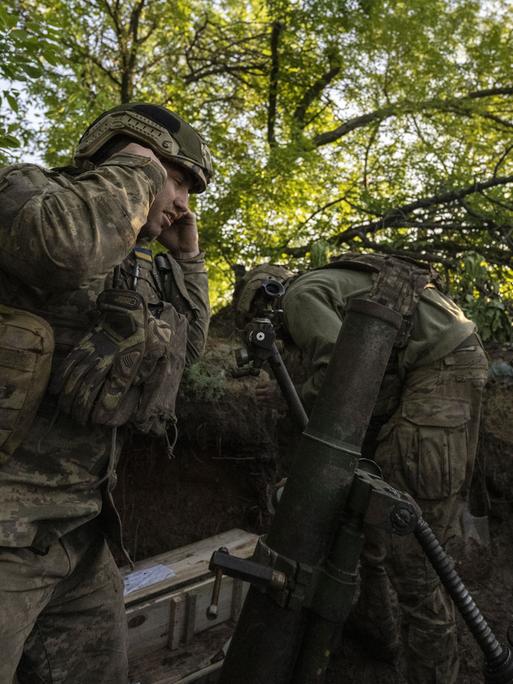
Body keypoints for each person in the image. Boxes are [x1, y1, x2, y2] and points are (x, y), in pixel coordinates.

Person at [0, 103, 212, 683]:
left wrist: (188, 261)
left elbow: (184, 357)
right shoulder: (28, 193)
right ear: (127, 154)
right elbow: (60, 248)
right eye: (180, 179)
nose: (184, 203)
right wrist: (143, 171)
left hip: (83, 539)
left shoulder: (141, 262)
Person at [234, 254, 489, 684]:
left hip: (437, 374)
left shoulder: (297, 297)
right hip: (439, 367)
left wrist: (291, 396)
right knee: (373, 527)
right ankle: (379, 638)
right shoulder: (329, 284)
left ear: (263, 302)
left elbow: (340, 370)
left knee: (414, 562)